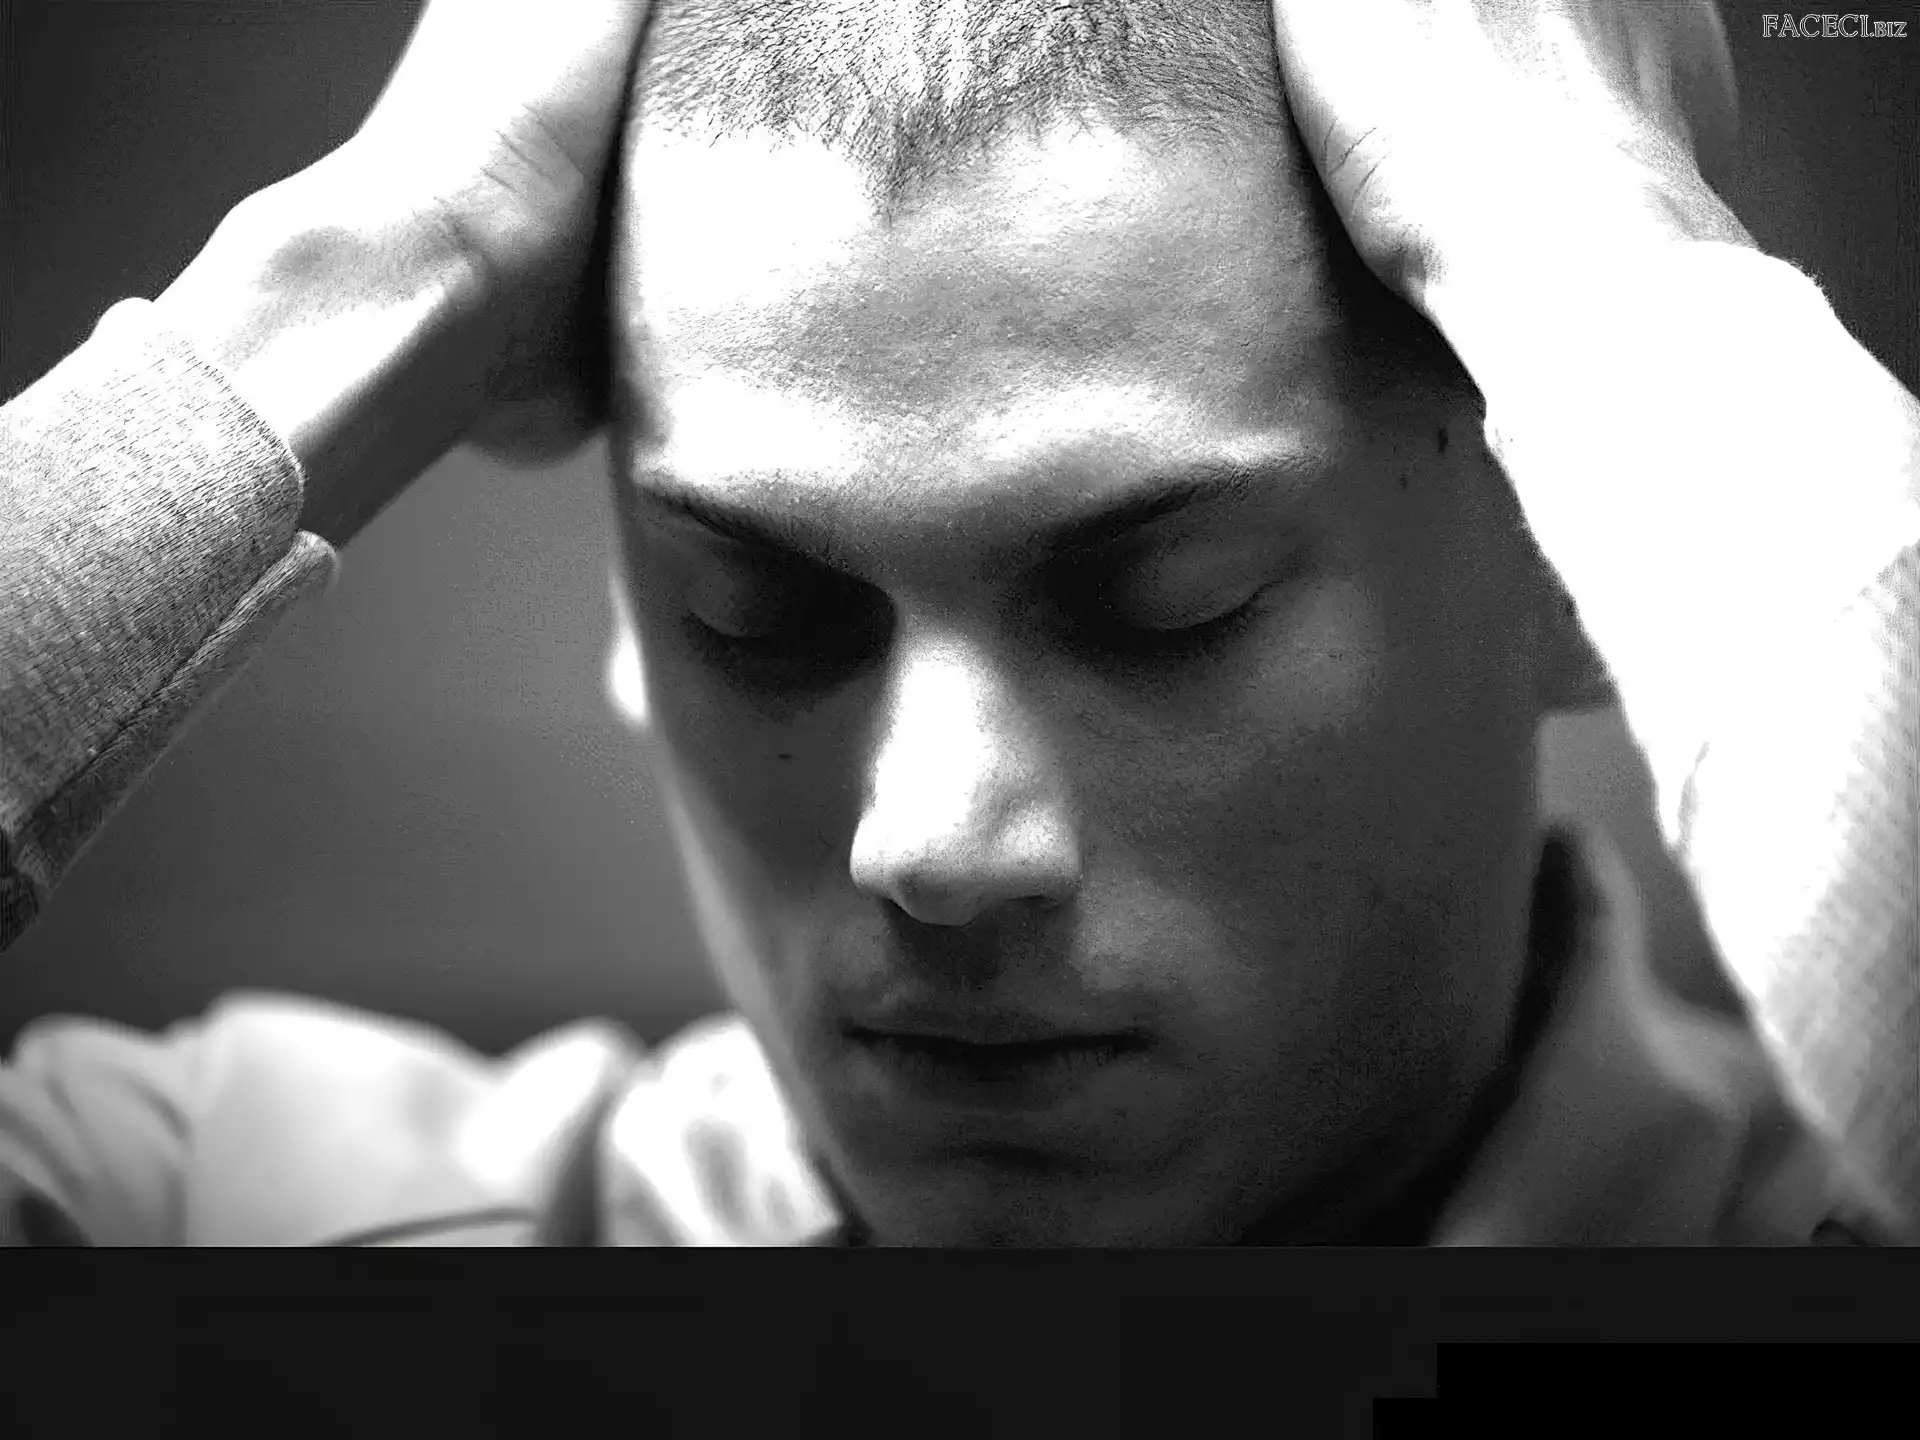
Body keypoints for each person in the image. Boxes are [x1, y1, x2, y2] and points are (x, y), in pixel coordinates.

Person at [0, 0, 1912, 1246]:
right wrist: (369, 266)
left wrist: (1596, 253)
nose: (932, 845)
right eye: (759, 610)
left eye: (1169, 609)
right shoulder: (204, 1211)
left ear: (1577, 565)